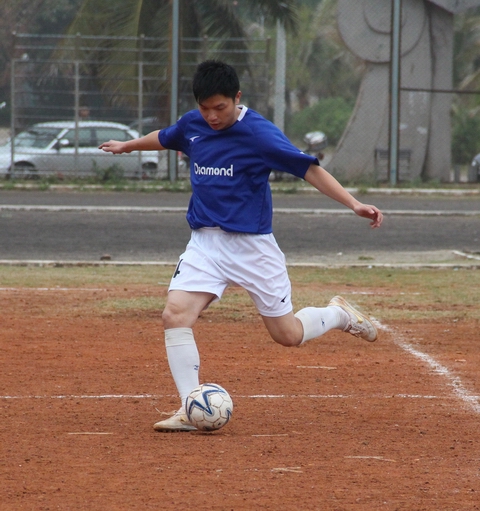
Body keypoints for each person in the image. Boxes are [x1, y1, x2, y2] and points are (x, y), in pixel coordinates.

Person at [99, 60, 384, 432]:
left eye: (220, 107)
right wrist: (128, 146)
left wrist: (354, 204)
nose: (212, 116)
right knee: (175, 315)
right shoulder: (193, 124)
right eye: (205, 108)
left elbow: (309, 169)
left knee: (287, 335)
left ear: (237, 97)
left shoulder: (259, 134)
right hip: (205, 243)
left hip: (253, 248)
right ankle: (190, 407)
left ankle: (339, 314)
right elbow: (166, 137)